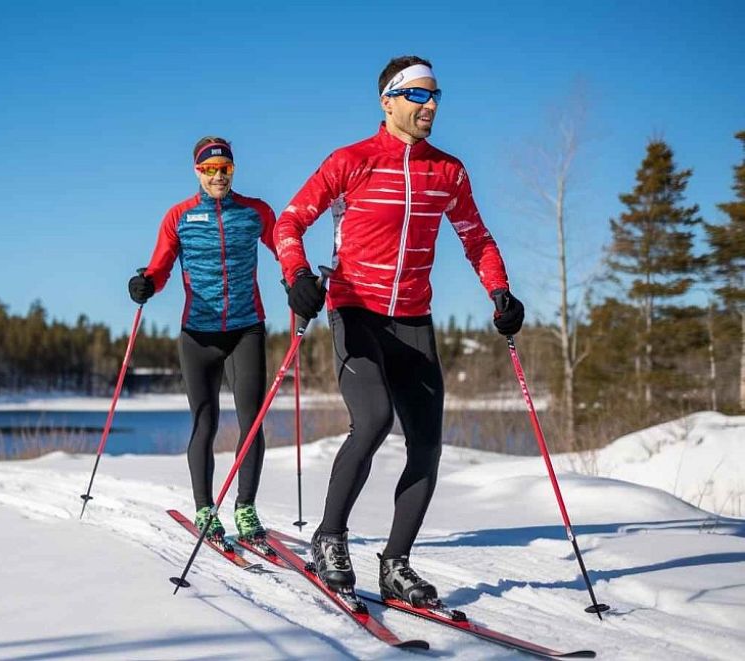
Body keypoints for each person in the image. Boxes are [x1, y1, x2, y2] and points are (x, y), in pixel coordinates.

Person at [274, 56, 525, 608]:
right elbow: (288, 222)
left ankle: (396, 564)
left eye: (435, 95)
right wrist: (296, 276)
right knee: (373, 422)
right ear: (387, 101)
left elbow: (476, 239)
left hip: (413, 319)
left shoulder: (448, 172)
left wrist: (500, 293)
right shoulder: (351, 161)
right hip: (355, 310)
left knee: (428, 446)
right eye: (418, 95)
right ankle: (329, 538)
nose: (430, 105)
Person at [128, 137, 279, 548]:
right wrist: (144, 285)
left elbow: (286, 247)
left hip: (246, 329)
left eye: (224, 169)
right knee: (205, 421)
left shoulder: (256, 213)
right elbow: (159, 268)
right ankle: (204, 508)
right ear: (197, 172)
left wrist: (299, 277)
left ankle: (245, 508)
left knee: (251, 424)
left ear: (233, 171)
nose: (217, 176)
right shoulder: (179, 216)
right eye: (209, 169)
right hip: (198, 334)